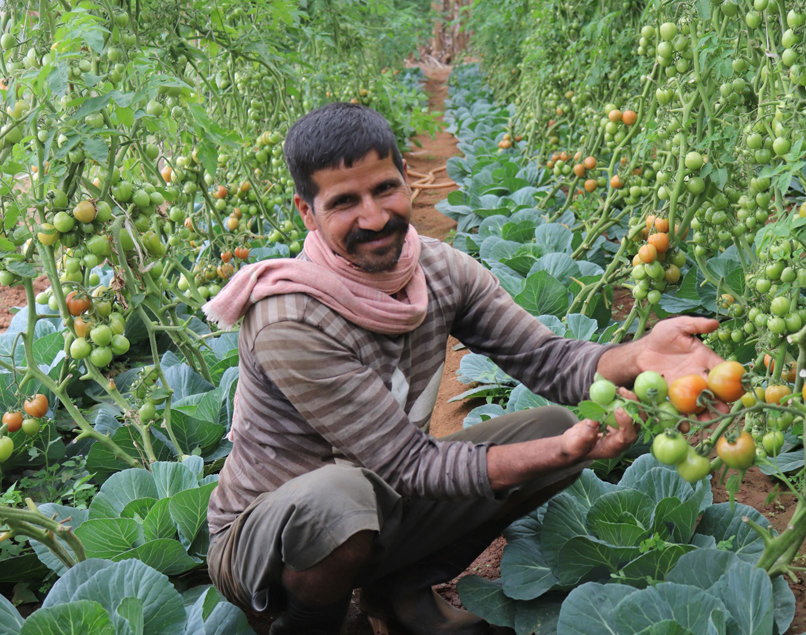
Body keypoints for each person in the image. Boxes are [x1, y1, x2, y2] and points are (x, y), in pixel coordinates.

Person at [203, 102, 725, 635]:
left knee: (553, 427)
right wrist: (554, 455)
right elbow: (410, 466)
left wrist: (637, 355)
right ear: (307, 212)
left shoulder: (438, 270)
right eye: (344, 202)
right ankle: (309, 626)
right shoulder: (288, 319)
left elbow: (547, 360)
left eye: (385, 188)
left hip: (384, 498)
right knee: (341, 495)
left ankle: (398, 591)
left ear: (406, 179)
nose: (375, 217)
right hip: (261, 539)